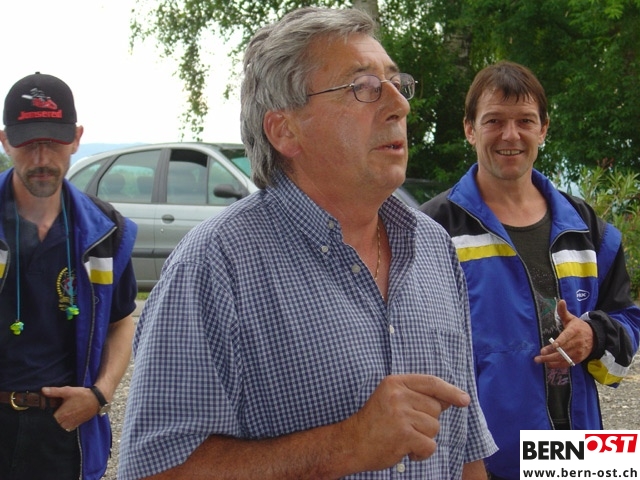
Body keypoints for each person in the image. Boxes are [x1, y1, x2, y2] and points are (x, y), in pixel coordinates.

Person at [118, 6, 497, 480]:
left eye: (397, 82)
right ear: (285, 131)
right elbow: (153, 470)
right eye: (363, 86)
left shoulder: (434, 248)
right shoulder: (216, 265)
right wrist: (345, 446)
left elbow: (464, 446)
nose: (399, 104)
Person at [421, 61, 640, 479]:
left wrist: (594, 336)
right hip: (483, 465)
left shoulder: (589, 231)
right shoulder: (431, 231)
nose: (511, 135)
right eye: (494, 121)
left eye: (525, 121)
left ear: (543, 129)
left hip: (581, 461)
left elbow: (628, 328)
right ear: (469, 129)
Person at [0, 72, 138, 479]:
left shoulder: (106, 232)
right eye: (28, 143)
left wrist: (100, 395)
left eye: (54, 142)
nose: (42, 158)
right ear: (5, 141)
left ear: (76, 139)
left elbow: (122, 322)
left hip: (65, 432)